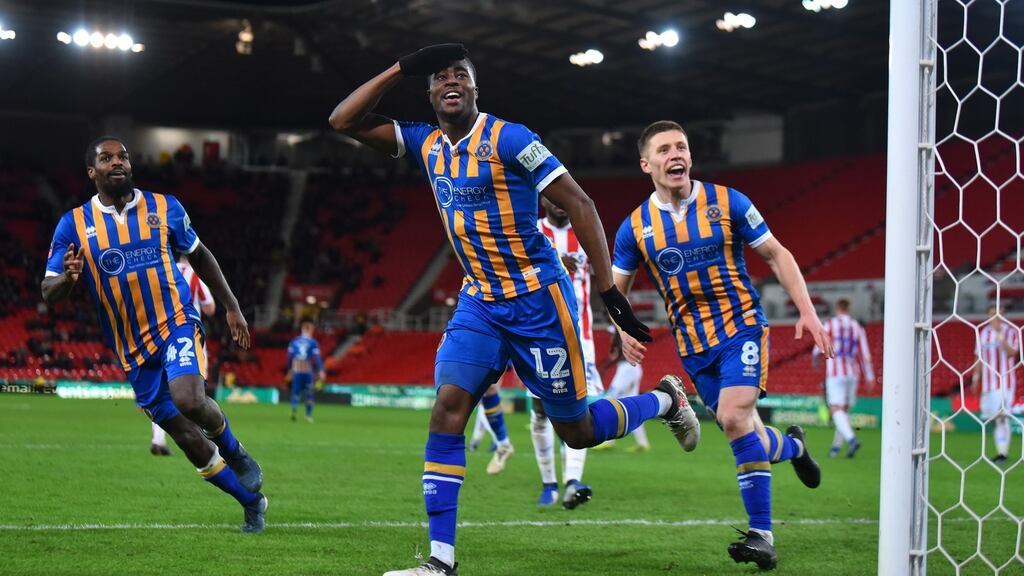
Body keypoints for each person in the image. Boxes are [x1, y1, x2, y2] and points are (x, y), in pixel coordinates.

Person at [329, 45, 700, 576]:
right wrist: (401, 67)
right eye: (440, 77)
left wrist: (609, 295)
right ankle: (440, 561)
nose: (451, 81)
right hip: (480, 302)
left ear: (475, 90)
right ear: (429, 92)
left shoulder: (511, 139)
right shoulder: (425, 142)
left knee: (577, 430)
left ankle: (664, 401)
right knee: (448, 406)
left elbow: (580, 204)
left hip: (537, 302)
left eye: (461, 75)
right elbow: (342, 120)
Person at [612, 120, 833, 570]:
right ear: (646, 164)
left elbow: (776, 254)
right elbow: (616, 289)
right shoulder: (634, 227)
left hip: (741, 328)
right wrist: (622, 329)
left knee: (733, 418)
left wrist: (807, 312)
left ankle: (762, 535)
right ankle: (794, 446)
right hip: (695, 347)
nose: (676, 154)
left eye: (681, 147)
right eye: (664, 149)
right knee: (747, 431)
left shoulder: (728, 202)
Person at [42, 137, 267, 533]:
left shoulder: (165, 207)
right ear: (92, 172)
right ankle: (251, 502)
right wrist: (68, 280)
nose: (117, 162)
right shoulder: (72, 225)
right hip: (131, 348)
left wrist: (231, 306)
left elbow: (200, 255)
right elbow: (49, 291)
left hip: (176, 321)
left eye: (123, 156)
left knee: (189, 399)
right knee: (185, 437)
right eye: (106, 158)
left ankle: (235, 451)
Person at [530, 196, 603, 508]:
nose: (560, 202)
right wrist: (555, 259)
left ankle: (572, 481)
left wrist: (615, 326)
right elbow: (517, 271)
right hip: (538, 334)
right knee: (540, 409)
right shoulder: (531, 230)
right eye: (553, 196)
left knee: (579, 409)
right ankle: (549, 483)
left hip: (580, 337)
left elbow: (599, 282)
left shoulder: (585, 230)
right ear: (542, 198)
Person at [149, 253, 218, 456]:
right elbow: (210, 308)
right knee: (195, 389)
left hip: (160, 335)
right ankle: (200, 438)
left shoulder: (162, 270)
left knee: (163, 390)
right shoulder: (195, 275)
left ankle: (158, 439)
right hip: (188, 335)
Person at [813, 298, 875, 458]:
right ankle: (836, 447)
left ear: (837, 308)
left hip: (835, 373)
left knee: (835, 409)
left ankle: (852, 439)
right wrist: (869, 376)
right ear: (849, 308)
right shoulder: (857, 327)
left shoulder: (830, 325)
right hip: (852, 373)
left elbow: (818, 347)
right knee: (844, 411)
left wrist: (816, 359)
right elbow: (865, 354)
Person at [972, 305, 1020, 464]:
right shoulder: (983, 333)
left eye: (999, 314)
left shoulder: (1011, 331)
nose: (995, 317)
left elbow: (1013, 353)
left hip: (1005, 382)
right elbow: (978, 357)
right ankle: (1001, 449)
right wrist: (976, 377)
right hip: (988, 384)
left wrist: (1002, 339)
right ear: (988, 315)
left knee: (1002, 416)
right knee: (993, 418)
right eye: (992, 314)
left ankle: (1002, 453)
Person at [597, 329, 650, 452]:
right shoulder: (627, 331)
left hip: (627, 369)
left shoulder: (620, 331)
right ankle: (642, 443)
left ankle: (607, 441)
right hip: (634, 368)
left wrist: (604, 366)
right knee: (633, 408)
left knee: (609, 401)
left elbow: (616, 350)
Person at [466, 380, 515, 476]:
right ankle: (474, 443)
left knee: (488, 423)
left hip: (487, 399)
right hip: (485, 399)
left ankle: (500, 442)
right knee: (480, 424)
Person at [287, 318, 326, 422]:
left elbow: (289, 357)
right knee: (309, 393)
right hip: (307, 370)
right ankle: (308, 415)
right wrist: (321, 370)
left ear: (302, 329)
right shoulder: (313, 342)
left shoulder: (294, 341)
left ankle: (294, 409)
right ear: (310, 330)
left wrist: (289, 369)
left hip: (297, 369)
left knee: (295, 392)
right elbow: (317, 358)